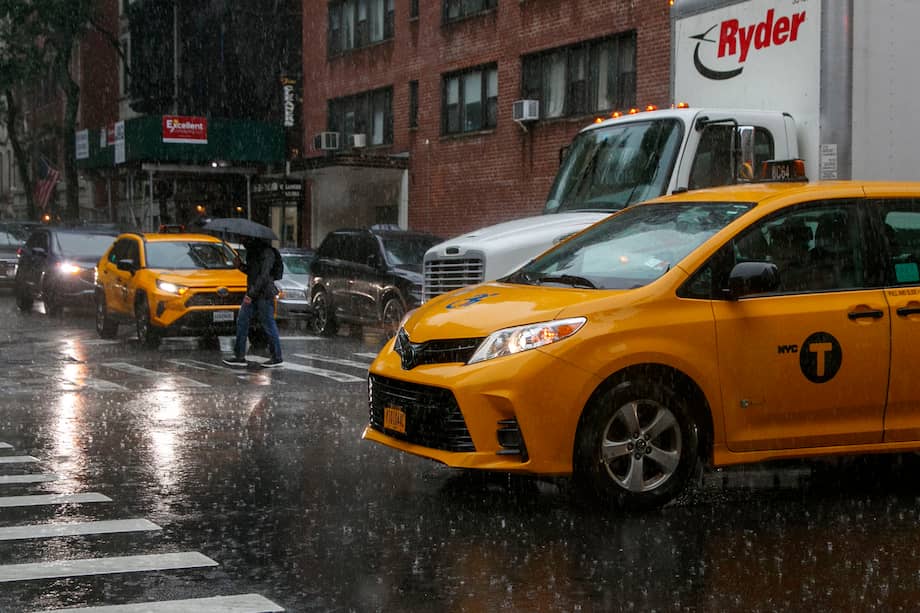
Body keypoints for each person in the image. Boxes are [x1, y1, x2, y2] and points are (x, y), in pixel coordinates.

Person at [223, 237, 283, 368]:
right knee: (242, 321)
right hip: (254, 293)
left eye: (246, 239)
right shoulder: (253, 252)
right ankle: (239, 356)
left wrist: (251, 294)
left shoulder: (267, 253)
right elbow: (252, 272)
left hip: (263, 294)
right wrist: (240, 266)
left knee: (268, 324)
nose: (244, 242)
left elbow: (264, 276)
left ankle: (277, 357)